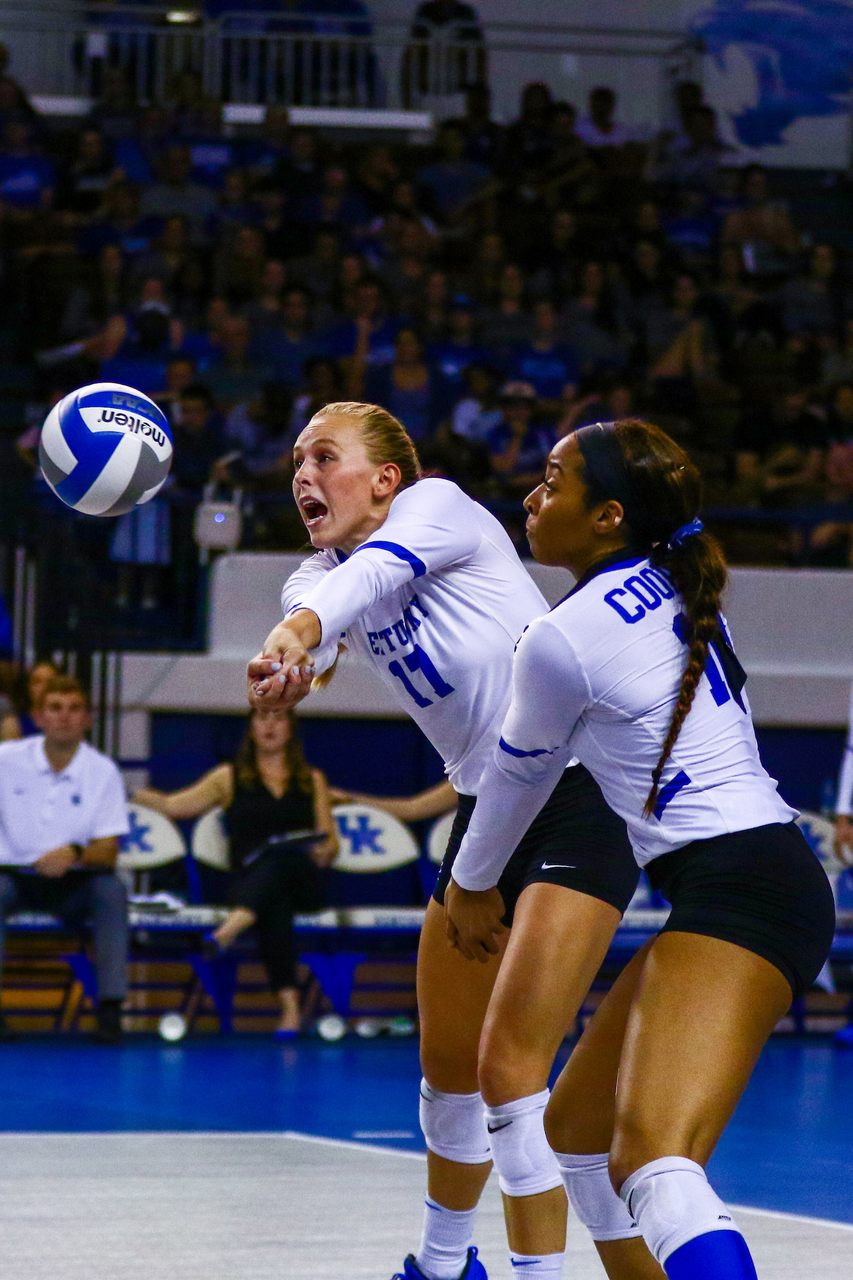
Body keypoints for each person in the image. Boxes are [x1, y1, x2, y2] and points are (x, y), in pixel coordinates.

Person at [246, 402, 647, 1280]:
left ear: (386, 478)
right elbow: (319, 618)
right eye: (294, 463)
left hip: (580, 792)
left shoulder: (439, 508)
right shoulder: (312, 578)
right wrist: (291, 667)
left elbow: (359, 587)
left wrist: (303, 635)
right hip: (485, 807)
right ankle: (440, 1264)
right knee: (446, 1076)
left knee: (511, 1072)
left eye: (325, 457)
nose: (302, 476)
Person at [447, 418, 835, 1280]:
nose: (531, 496)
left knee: (655, 1164)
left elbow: (512, 785)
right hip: (748, 879)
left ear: (607, 516)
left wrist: (471, 886)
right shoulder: (671, 577)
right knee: (578, 1138)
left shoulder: (566, 635)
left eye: (553, 480)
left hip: (744, 889)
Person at [134, 709, 338, 1036]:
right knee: (275, 902)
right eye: (262, 718)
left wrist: (323, 851)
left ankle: (229, 931)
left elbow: (330, 843)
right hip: (253, 884)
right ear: (251, 729)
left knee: (283, 860)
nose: (270, 725)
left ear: (291, 730)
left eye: (279, 719)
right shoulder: (228, 777)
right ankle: (289, 1007)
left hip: (304, 882)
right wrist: (125, 791)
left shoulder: (312, 779)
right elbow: (175, 806)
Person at [0, 675, 131, 1042]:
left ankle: (110, 1009)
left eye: (74, 709)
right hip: (12, 876)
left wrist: (73, 852)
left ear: (88, 719)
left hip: (78, 881)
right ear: (38, 717)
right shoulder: (5, 761)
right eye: (54, 708)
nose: (64, 717)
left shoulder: (102, 771)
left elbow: (108, 851)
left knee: (112, 891)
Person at [1, 661, 58, 741]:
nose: (44, 687)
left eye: (50, 681)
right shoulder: (14, 724)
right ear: (29, 687)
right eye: (37, 682)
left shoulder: (68, 722)